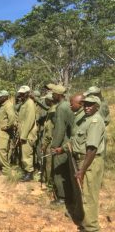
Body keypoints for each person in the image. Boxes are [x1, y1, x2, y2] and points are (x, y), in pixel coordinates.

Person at [53, 95, 105, 231]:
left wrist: (82, 170)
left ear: (97, 107)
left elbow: (92, 148)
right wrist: (62, 149)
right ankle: (79, 216)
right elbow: (76, 140)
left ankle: (91, 227)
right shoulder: (85, 120)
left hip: (89, 162)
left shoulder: (95, 121)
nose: (87, 107)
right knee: (80, 192)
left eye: (90, 105)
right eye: (85, 104)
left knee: (89, 195)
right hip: (80, 159)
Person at [50, 84, 74, 205]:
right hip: (69, 141)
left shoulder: (61, 108)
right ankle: (69, 195)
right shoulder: (65, 105)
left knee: (59, 170)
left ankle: (62, 197)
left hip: (63, 142)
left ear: (58, 95)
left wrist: (54, 146)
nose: (52, 96)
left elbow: (60, 130)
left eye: (53, 94)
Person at [17, 86, 38, 182]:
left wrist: (23, 135)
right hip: (24, 133)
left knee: (27, 154)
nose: (20, 95)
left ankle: (29, 173)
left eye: (22, 93)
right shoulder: (24, 103)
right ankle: (26, 171)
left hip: (28, 134)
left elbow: (29, 121)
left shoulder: (30, 103)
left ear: (27, 93)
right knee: (24, 153)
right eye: (20, 93)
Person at [0, 90, 16, 175]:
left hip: (4, 131)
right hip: (1, 130)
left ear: (5, 97)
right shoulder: (2, 105)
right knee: (4, 149)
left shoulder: (8, 105)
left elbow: (12, 117)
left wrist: (7, 127)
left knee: (0, 149)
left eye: (0, 97)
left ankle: (6, 170)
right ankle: (3, 168)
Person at [40, 92, 56, 185]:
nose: (44, 101)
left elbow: (49, 131)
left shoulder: (52, 112)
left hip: (50, 142)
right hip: (50, 140)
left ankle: (49, 183)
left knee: (49, 163)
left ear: (50, 101)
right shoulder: (51, 110)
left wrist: (45, 144)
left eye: (46, 99)